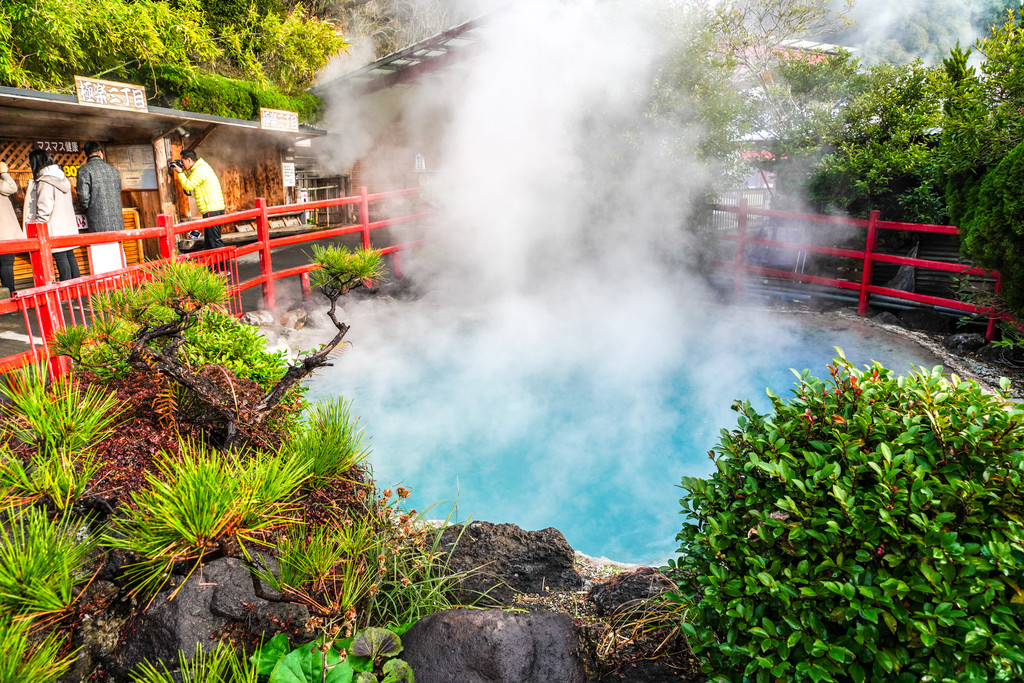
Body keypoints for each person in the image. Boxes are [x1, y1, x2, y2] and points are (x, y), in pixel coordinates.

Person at [24, 149, 80, 282]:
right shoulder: (61, 177)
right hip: (67, 226)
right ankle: (76, 286)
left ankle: (65, 289)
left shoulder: (45, 181)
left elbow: (44, 208)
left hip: (54, 227)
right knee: (70, 255)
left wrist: (38, 223)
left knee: (60, 257)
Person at [170, 149, 225, 249]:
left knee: (214, 240)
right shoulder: (200, 168)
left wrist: (180, 173)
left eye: (183, 162)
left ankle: (223, 264)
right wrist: (183, 172)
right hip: (212, 209)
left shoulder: (200, 170)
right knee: (209, 242)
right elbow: (191, 181)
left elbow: (188, 185)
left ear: (189, 160)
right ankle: (213, 264)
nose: (182, 164)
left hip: (211, 210)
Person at [76, 141, 124, 232]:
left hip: (97, 219)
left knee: (100, 245)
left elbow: (83, 196)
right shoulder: (113, 170)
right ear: (99, 153)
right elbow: (118, 190)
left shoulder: (84, 170)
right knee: (117, 244)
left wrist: (87, 208)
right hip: (117, 218)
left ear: (86, 154)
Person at [0, 160, 25, 295]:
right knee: (6, 264)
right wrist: (4, 172)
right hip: (4, 235)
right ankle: (10, 296)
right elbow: (12, 187)